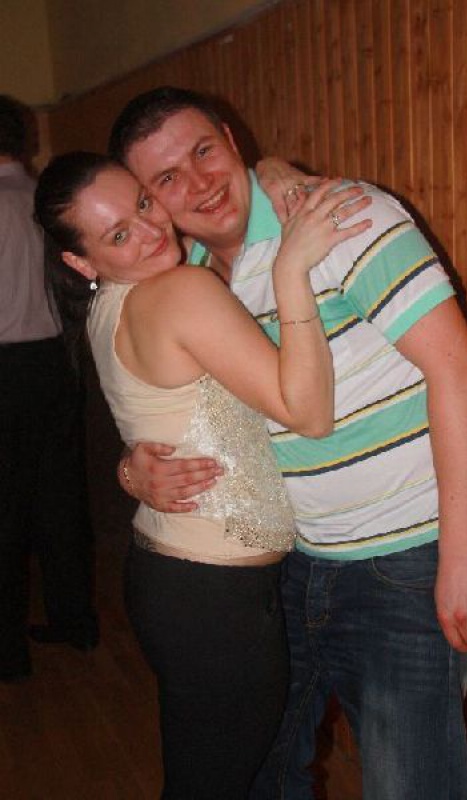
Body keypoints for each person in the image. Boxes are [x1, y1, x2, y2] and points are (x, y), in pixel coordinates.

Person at [107, 86, 467, 800]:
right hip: (283, 569)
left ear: (231, 139)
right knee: (261, 777)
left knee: (412, 787)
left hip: (403, 563)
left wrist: (462, 557)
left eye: (204, 151)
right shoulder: (184, 275)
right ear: (149, 203)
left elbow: (462, 373)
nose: (199, 182)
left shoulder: (337, 218)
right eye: (166, 178)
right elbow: (167, 403)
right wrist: (132, 470)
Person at [34, 150, 370, 799]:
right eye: (119, 235)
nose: (150, 230)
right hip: (214, 599)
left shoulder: (114, 303)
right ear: (81, 262)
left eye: (142, 203)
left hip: (182, 584)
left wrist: (269, 167)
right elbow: (308, 412)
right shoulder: (180, 291)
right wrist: (291, 271)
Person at [0, 96, 98, 683]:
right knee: (60, 496)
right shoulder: (48, 202)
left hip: (4, 370)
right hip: (57, 364)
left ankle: (7, 652)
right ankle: (75, 621)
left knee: (4, 508)